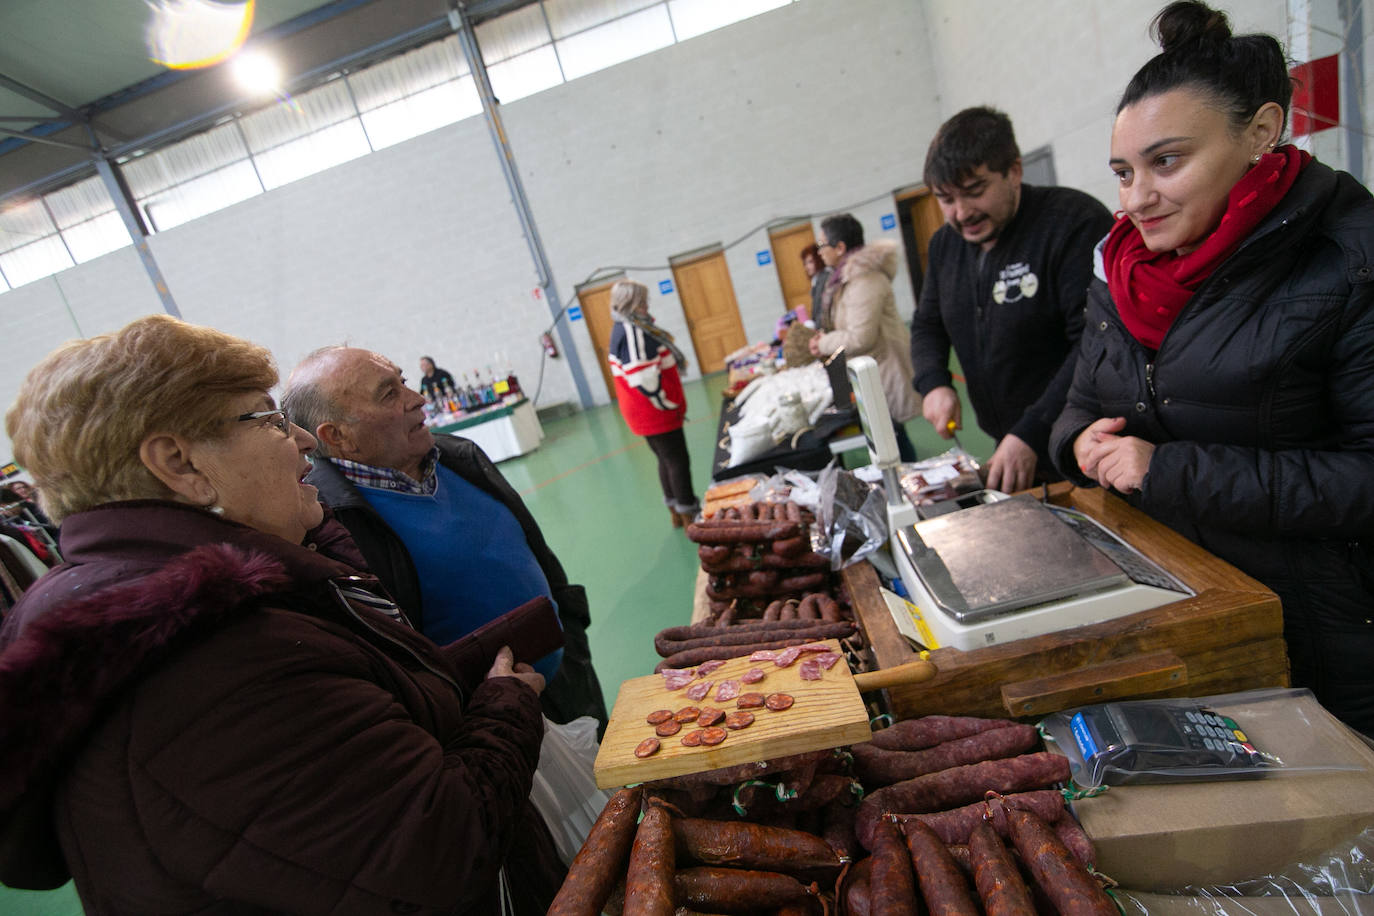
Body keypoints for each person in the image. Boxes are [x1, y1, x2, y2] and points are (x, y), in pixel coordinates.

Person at [0, 315, 563, 913]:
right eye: (268, 420)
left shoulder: (130, 603)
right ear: (180, 464)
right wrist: (506, 707)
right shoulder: (219, 658)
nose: (302, 440)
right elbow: (439, 849)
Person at [1049, 1, 1374, 736]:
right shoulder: (1121, 268)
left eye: (1167, 162)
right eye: (1124, 171)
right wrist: (1078, 446)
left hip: (1327, 632)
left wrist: (1165, 471)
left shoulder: (1346, 261)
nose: (1136, 198)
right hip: (1186, 611)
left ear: (1261, 132)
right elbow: (1078, 405)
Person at [283, 346, 608, 729]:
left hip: (570, 677)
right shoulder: (330, 527)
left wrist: (570, 630)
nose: (418, 400)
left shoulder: (460, 457)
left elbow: (537, 555)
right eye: (389, 394)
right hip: (487, 726)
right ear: (338, 436)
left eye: (404, 382)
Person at [911, 107, 1114, 492]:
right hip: (1011, 443)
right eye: (946, 199)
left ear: (1014, 171)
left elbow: (1095, 343)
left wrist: (1034, 431)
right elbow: (927, 324)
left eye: (975, 192)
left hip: (1084, 446)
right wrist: (934, 382)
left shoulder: (1073, 222)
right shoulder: (944, 245)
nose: (961, 213)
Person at [807, 213, 921, 461]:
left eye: (822, 245)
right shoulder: (848, 278)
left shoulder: (864, 279)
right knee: (890, 435)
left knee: (894, 438)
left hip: (883, 370)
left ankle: (912, 488)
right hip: (872, 371)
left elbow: (861, 337)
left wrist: (823, 343)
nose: (820, 252)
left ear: (840, 247)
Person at [607, 279, 701, 528]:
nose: (647, 305)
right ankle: (689, 514)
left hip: (644, 411)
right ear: (632, 303)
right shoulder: (632, 331)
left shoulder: (627, 327)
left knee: (665, 459)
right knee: (677, 460)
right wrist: (670, 403)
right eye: (643, 300)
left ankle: (676, 512)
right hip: (655, 412)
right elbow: (644, 379)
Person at [801, 242, 831, 328]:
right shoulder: (816, 280)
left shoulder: (825, 277)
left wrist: (815, 326)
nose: (807, 267)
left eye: (810, 262)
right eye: (805, 263)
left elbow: (823, 308)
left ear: (819, 259)